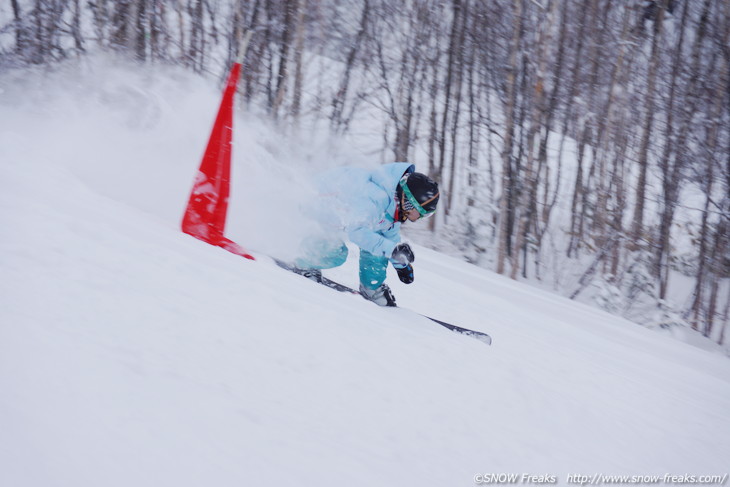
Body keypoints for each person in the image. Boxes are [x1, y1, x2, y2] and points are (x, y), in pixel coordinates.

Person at [291, 162, 440, 307]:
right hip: (316, 207)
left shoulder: (394, 207)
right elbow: (356, 232)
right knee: (336, 252)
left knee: (379, 245)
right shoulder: (373, 199)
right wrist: (392, 250)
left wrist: (401, 263)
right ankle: (305, 263)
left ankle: (371, 287)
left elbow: (390, 239)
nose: (420, 218)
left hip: (338, 217)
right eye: (422, 213)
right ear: (409, 202)